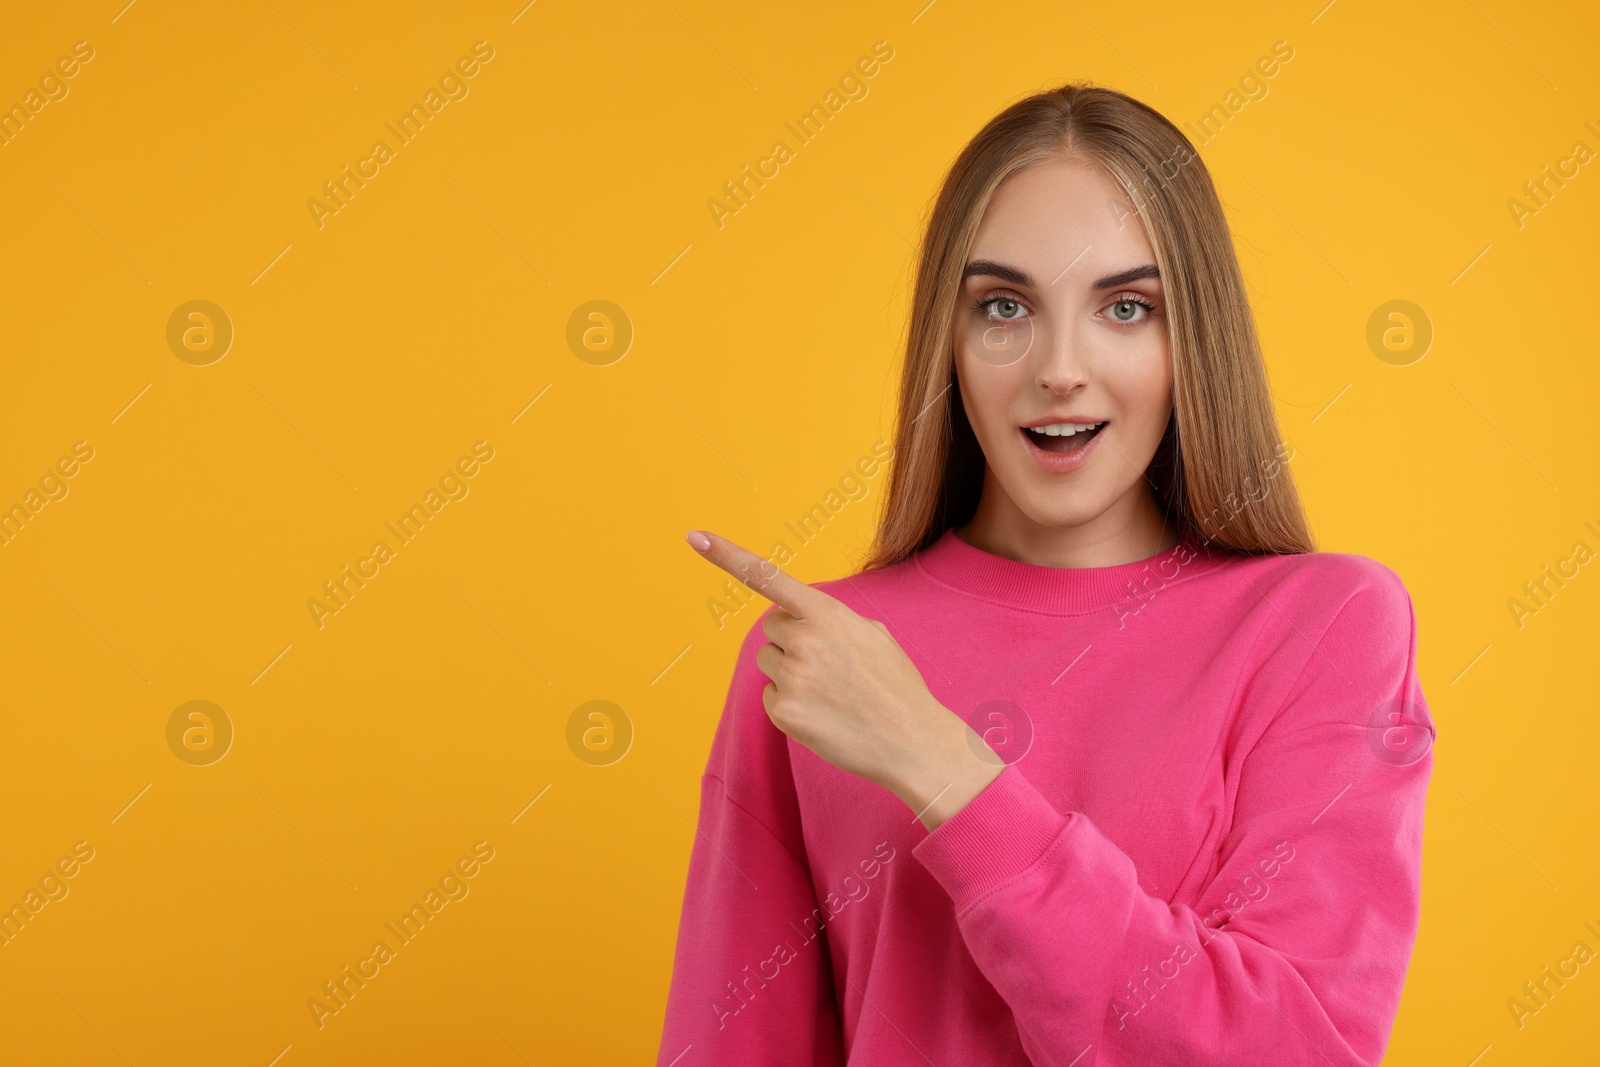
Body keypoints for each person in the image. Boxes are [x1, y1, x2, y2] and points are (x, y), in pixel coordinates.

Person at [655, 81, 1435, 1066]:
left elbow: (1291, 1050)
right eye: (1003, 305)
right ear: (947, 338)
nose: (1058, 366)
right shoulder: (824, 655)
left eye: (1124, 305)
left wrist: (944, 767)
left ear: (1192, 334)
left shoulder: (1322, 625)